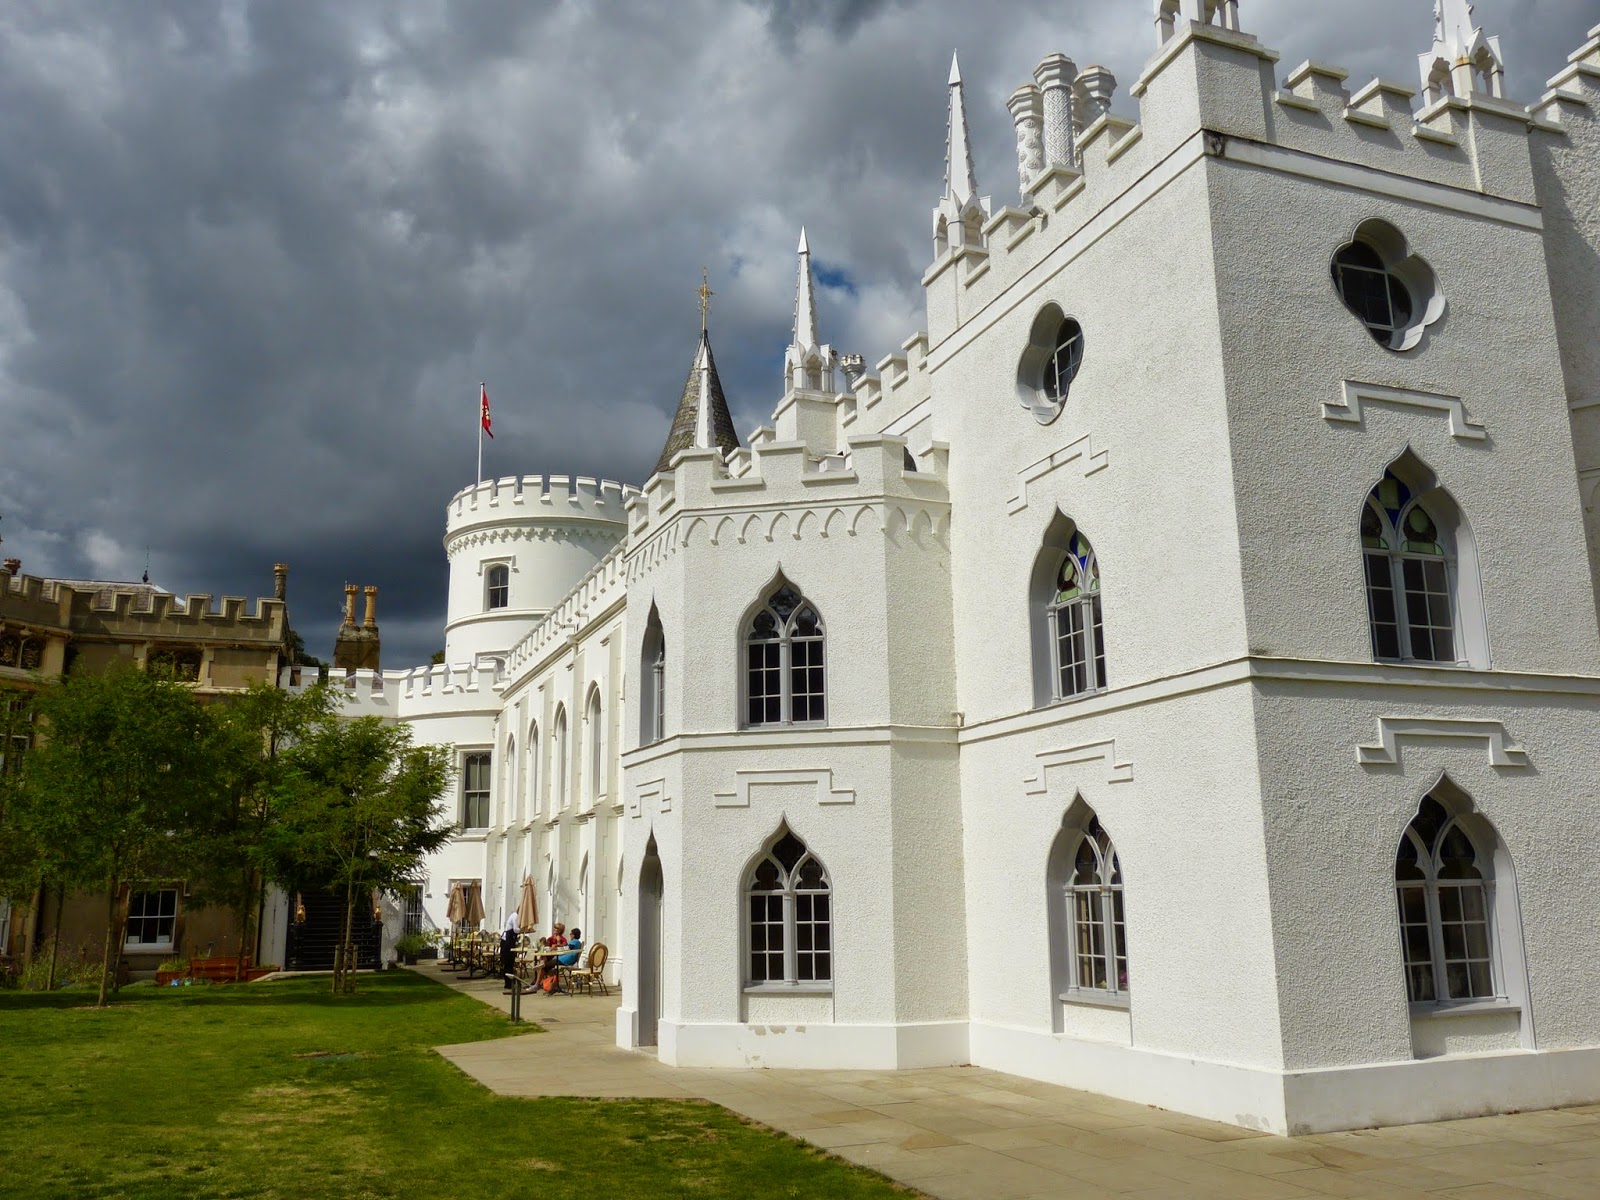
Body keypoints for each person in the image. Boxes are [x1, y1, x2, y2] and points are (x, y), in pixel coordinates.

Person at [499, 908, 520, 994]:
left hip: (509, 942)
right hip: (506, 942)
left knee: (510, 963)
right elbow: (515, 929)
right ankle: (508, 984)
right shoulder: (515, 916)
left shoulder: (516, 916)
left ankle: (509, 983)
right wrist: (525, 929)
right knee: (508, 962)